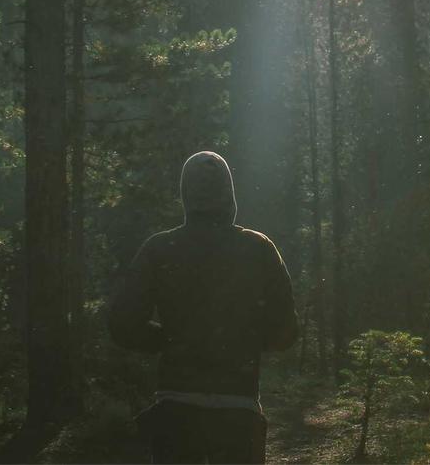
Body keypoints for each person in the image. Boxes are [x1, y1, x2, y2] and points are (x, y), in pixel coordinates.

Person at [109, 150, 298, 464]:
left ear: (186, 194)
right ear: (229, 194)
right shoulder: (258, 248)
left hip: (175, 409)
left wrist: (167, 340)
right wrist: (243, 341)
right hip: (239, 409)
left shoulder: (160, 248)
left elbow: (122, 325)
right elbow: (287, 333)